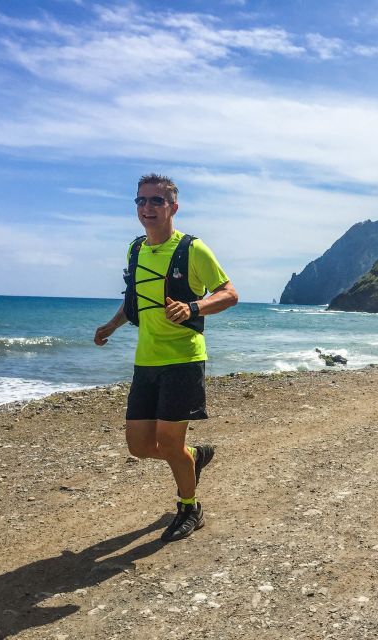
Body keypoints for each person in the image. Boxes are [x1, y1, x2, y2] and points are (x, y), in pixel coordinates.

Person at [94, 174, 238, 542]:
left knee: (170, 444)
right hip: (147, 362)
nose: (147, 208)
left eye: (156, 201)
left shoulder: (193, 249)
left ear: (173, 207)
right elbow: (134, 301)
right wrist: (111, 326)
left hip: (183, 360)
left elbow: (229, 294)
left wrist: (193, 307)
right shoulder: (136, 250)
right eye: (141, 201)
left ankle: (189, 507)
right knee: (139, 447)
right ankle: (193, 457)